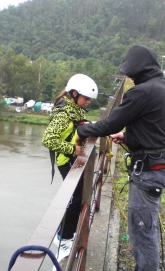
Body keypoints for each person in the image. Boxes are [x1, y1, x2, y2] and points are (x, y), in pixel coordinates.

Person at [76, 45, 165, 271]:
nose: (131, 80)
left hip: (148, 173)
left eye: (132, 75)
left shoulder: (142, 92)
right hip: (158, 165)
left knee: (143, 232)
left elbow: (110, 123)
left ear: (140, 70)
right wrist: (129, 138)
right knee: (142, 228)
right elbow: (158, 129)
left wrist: (86, 130)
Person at [42, 73, 98, 256]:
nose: (88, 102)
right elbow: (48, 139)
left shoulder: (74, 110)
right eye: (86, 98)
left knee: (79, 195)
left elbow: (77, 127)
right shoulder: (63, 113)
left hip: (73, 159)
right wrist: (71, 148)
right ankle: (63, 239)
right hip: (66, 161)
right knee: (75, 198)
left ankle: (68, 233)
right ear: (74, 94)